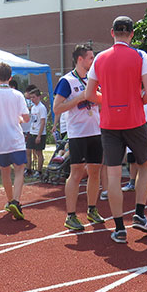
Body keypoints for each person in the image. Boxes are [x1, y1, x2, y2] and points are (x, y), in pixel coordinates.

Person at [84, 16, 147, 243]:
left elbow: (88, 95)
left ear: (112, 32)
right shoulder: (140, 56)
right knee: (144, 165)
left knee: (113, 174)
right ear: (132, 34)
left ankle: (119, 228)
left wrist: (109, 101)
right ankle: (140, 214)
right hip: (135, 120)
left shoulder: (100, 59)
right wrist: (135, 101)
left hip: (109, 124)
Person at [52, 45, 105, 231]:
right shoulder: (66, 81)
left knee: (95, 172)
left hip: (96, 132)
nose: (94, 61)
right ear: (80, 59)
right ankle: (71, 215)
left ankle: (92, 209)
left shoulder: (94, 80)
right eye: (91, 58)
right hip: (78, 134)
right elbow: (57, 108)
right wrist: (80, 98)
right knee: (75, 174)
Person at [0, 62, 30, 219]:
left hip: (0, 139)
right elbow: (26, 117)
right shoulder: (17, 95)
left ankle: (10, 201)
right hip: (15, 138)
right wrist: (18, 120)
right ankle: (16, 201)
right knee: (19, 170)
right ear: (10, 77)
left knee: (5, 172)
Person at [26, 87, 48, 178]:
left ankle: (39, 171)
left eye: (34, 97)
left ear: (39, 97)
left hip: (39, 133)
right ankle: (28, 169)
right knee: (28, 151)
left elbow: (43, 122)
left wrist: (39, 136)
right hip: (32, 131)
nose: (32, 99)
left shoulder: (41, 108)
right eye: (31, 97)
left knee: (39, 152)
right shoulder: (33, 108)